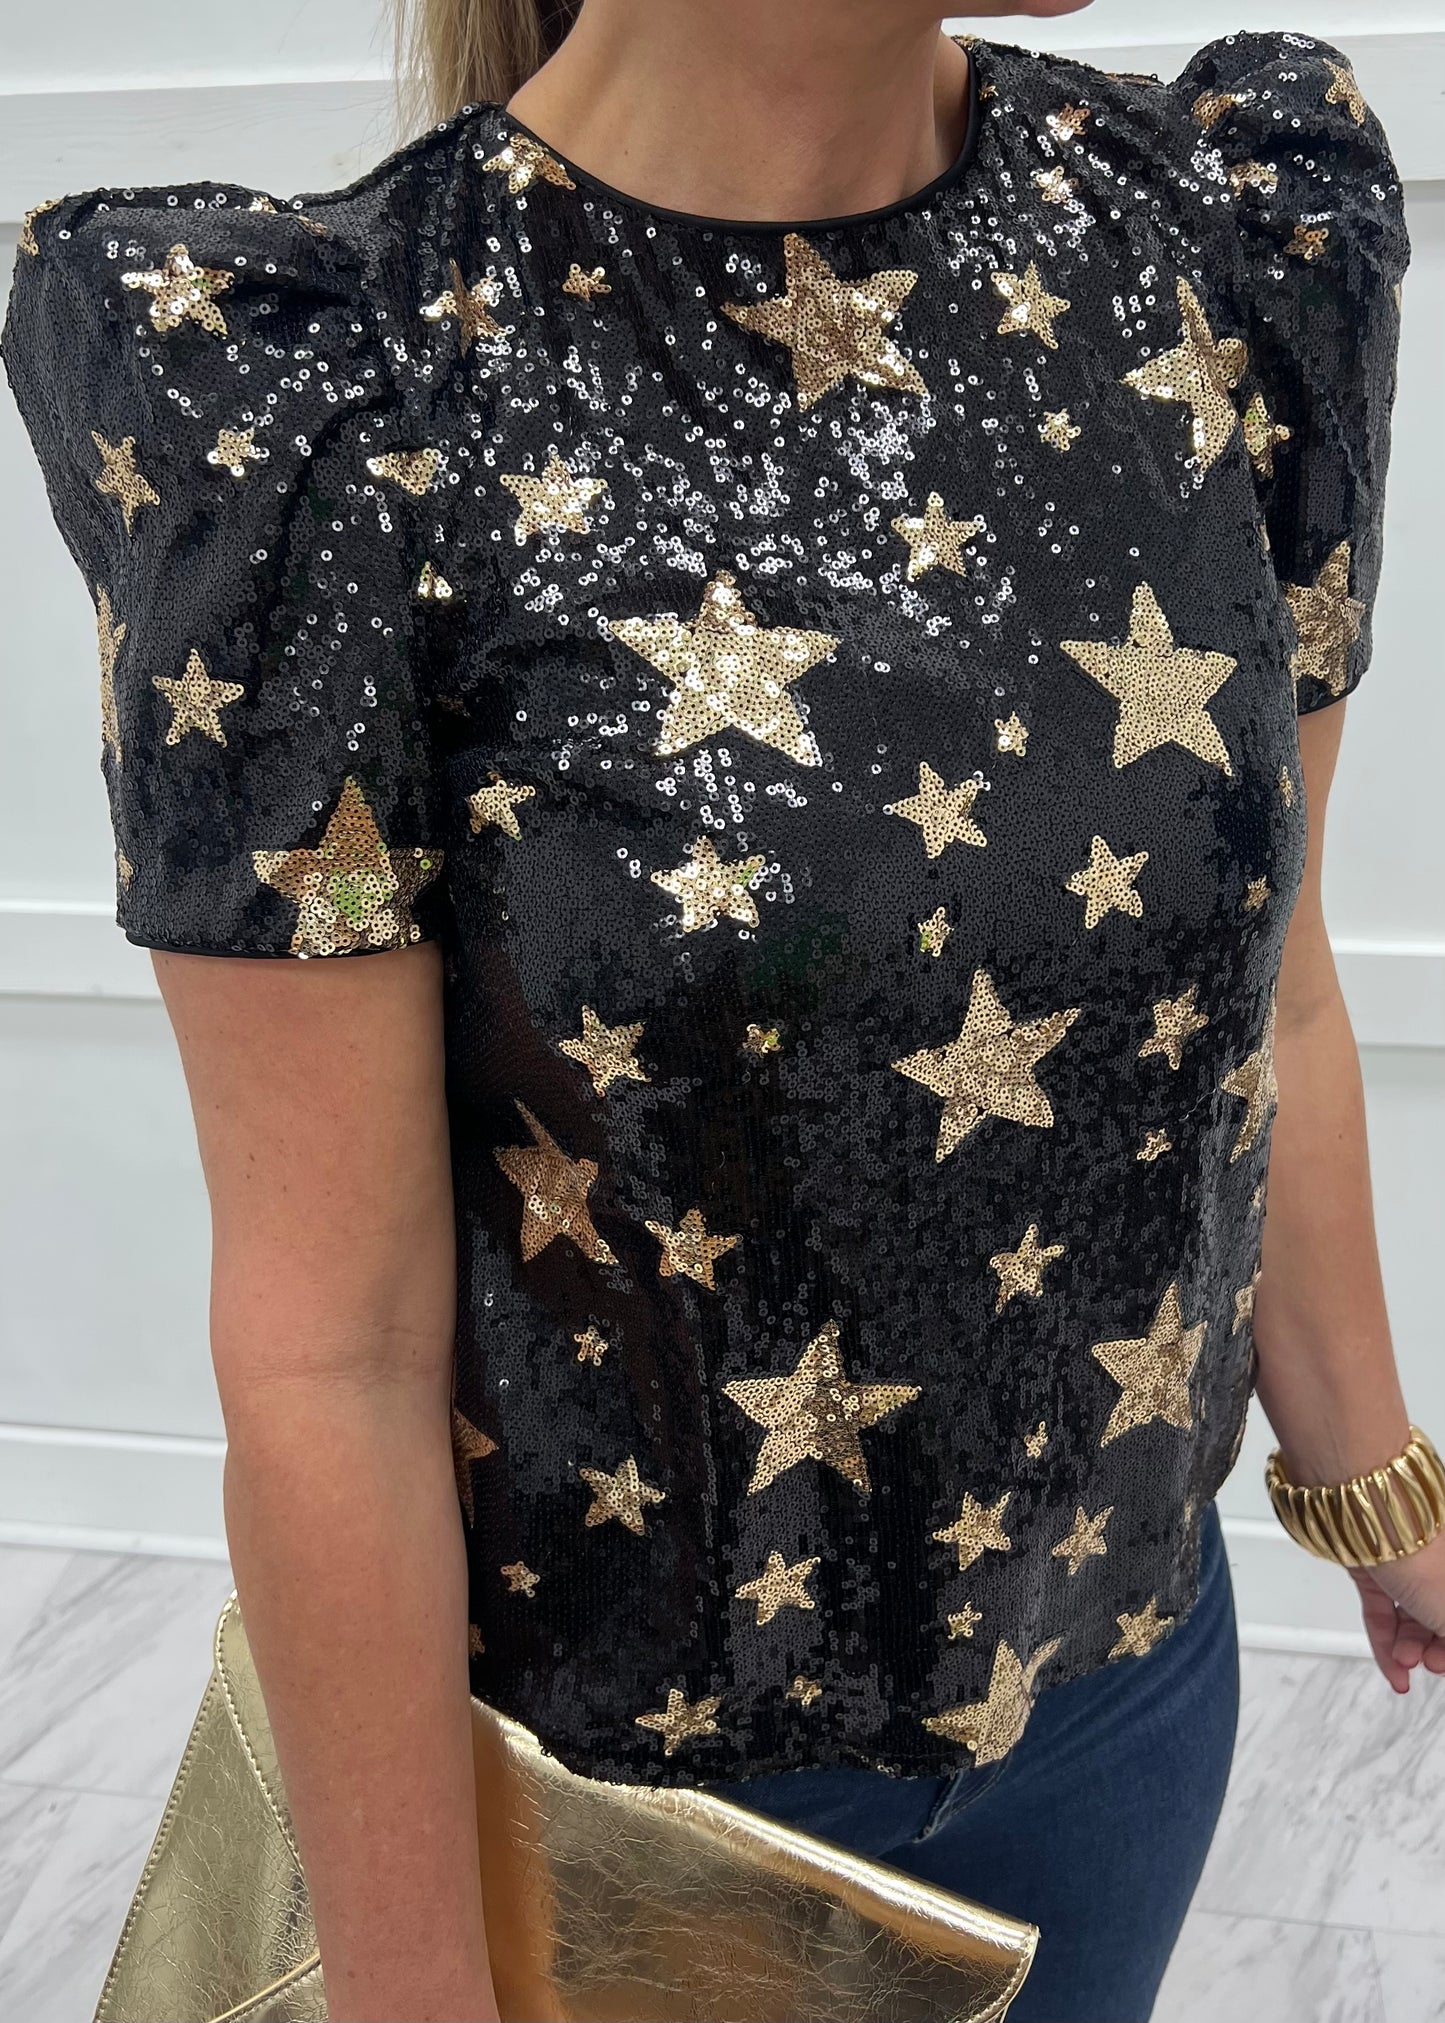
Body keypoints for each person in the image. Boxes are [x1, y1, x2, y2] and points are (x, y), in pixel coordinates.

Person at [4, 1, 1441, 2017]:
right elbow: (333, 1352)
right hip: (624, 1814)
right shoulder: (337, 391)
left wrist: (1375, 1484)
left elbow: (1263, 997)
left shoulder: (1215, 235)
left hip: (1121, 1690)